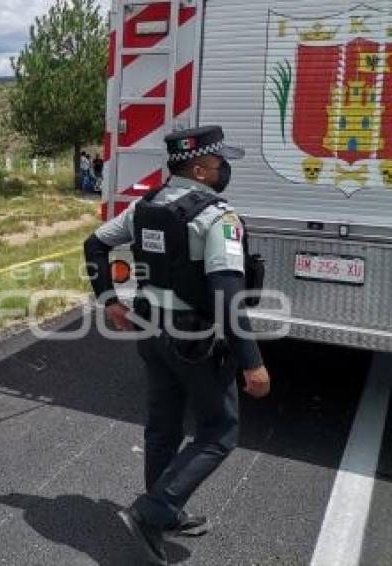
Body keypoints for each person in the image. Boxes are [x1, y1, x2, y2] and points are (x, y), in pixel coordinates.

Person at [83, 126, 271, 565]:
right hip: (195, 340)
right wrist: (252, 363)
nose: (226, 170)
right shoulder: (217, 218)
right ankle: (153, 512)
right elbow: (226, 295)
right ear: (202, 169)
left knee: (163, 426)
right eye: (222, 162)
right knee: (219, 432)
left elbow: (95, 244)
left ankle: (163, 509)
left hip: (151, 332)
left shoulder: (143, 207)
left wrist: (109, 299)